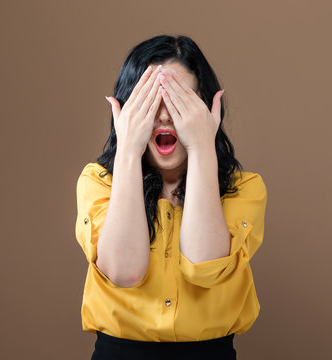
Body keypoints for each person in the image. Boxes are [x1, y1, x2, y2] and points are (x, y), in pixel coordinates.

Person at [74, 34, 267, 360]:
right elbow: (123, 272)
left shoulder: (244, 188)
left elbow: (204, 266)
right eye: (150, 100)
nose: (165, 116)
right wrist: (128, 150)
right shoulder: (97, 182)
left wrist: (202, 146)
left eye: (180, 100)